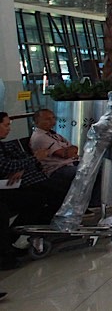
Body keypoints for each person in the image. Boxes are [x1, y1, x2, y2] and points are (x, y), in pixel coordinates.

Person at [0, 112, 67, 269]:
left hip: (14, 184)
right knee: (43, 196)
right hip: (7, 189)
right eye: (6, 125)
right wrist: (34, 159)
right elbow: (6, 167)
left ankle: (19, 237)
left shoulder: (4, 145)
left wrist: (22, 166)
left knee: (43, 197)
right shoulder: (39, 137)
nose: (9, 129)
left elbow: (12, 164)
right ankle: (11, 245)